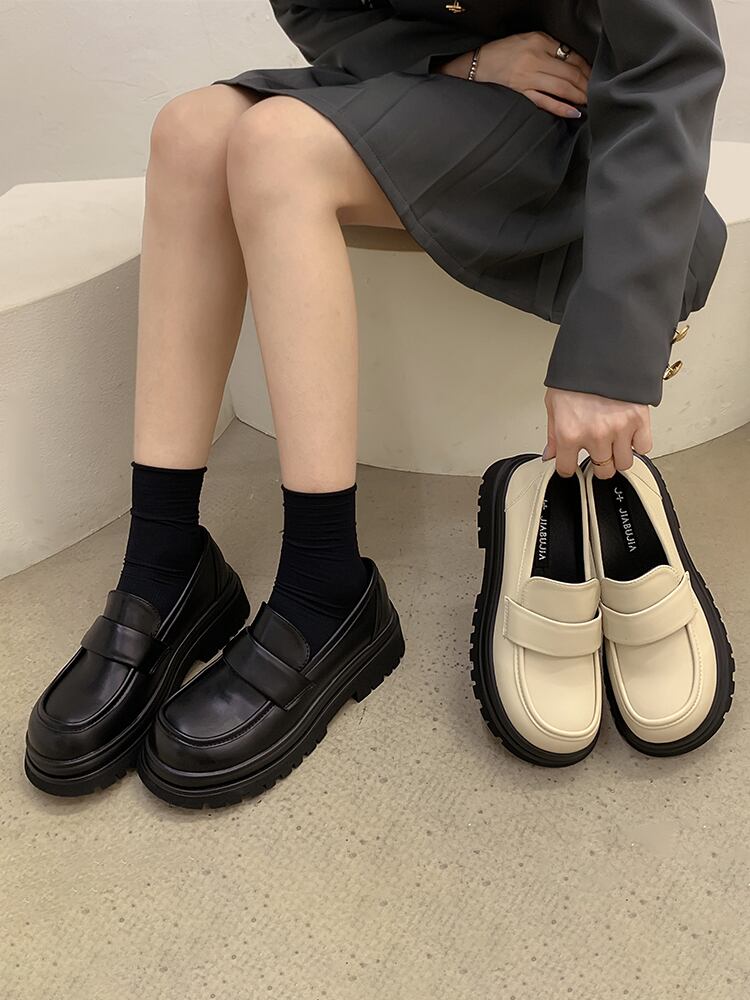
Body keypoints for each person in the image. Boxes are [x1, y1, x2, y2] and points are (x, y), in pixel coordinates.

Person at [25, 0, 733, 805]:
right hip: (444, 91)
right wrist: (461, 63)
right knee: (188, 131)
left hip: (581, 120)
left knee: (276, 145)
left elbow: (668, 62)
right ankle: (164, 562)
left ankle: (323, 586)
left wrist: (610, 356)